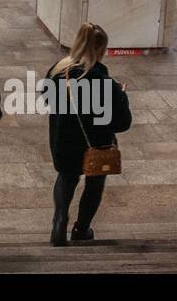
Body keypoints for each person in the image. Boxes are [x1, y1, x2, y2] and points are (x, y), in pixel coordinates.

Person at [45, 23, 132, 246]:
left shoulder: (57, 72)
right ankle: (81, 229)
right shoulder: (106, 84)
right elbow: (123, 123)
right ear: (100, 50)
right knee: (94, 184)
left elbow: (49, 101)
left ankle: (59, 220)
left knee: (66, 178)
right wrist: (121, 97)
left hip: (64, 140)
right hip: (97, 143)